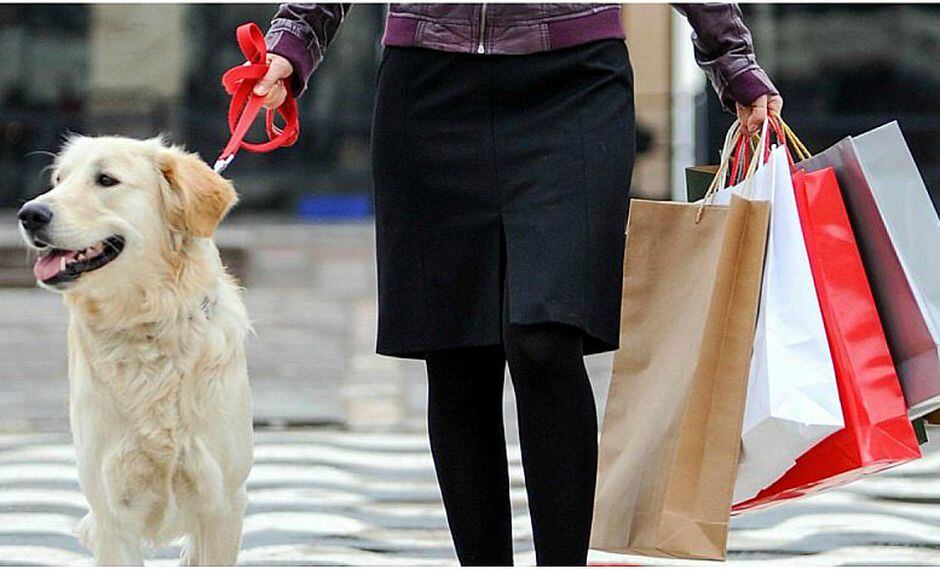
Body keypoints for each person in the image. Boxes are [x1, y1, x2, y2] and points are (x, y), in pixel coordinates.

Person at [255, 4, 783, 566]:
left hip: (573, 82)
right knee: (459, 357)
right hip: (430, 88)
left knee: (546, 336)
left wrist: (731, 57)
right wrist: (295, 39)